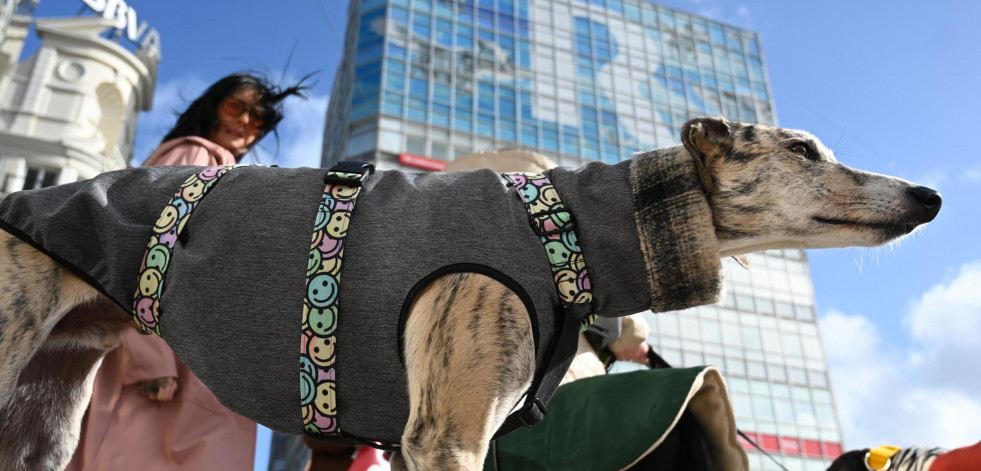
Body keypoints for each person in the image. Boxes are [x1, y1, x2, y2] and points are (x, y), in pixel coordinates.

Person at [66, 73, 306, 471]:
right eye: (237, 107)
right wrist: (149, 362)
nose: (247, 122)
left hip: (199, 370)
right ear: (211, 106)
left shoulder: (225, 172)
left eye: (259, 118)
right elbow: (142, 247)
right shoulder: (195, 155)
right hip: (164, 373)